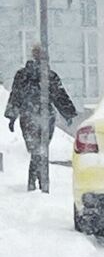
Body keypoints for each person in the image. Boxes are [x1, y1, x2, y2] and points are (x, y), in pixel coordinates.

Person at [5, 45, 76, 194]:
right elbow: (59, 96)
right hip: (46, 116)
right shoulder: (49, 75)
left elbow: (15, 96)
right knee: (42, 149)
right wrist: (68, 114)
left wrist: (12, 117)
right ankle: (41, 182)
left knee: (36, 150)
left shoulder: (22, 75)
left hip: (27, 116)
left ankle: (34, 182)